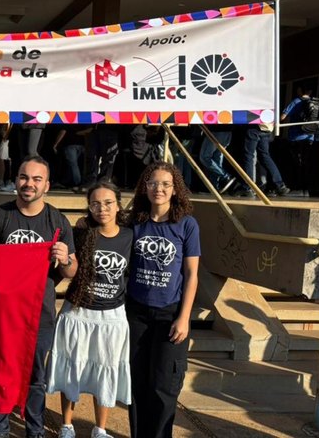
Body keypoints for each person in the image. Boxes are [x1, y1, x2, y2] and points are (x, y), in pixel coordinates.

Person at [0, 155, 76, 438]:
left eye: (36, 179)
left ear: (46, 185)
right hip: (2, 313)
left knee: (36, 378)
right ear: (16, 180)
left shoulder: (56, 220)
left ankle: (35, 430)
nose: (28, 184)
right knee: (0, 373)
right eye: (23, 177)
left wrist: (65, 258)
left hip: (39, 314)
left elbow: (71, 271)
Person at [47, 182, 132, 438]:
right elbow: (69, 271)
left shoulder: (130, 236)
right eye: (95, 203)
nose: (101, 208)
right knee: (72, 367)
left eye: (108, 203)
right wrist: (65, 260)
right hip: (78, 312)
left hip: (112, 315)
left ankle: (100, 429)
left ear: (118, 205)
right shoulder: (80, 234)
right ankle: (67, 425)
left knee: (105, 369)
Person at [126, 161, 200, 438]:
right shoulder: (134, 221)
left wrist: (184, 318)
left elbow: (192, 274)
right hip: (135, 313)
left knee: (164, 385)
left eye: (165, 184)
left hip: (169, 314)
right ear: (145, 187)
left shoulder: (186, 224)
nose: (159, 189)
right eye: (153, 183)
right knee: (137, 383)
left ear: (174, 189)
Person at [280, 88, 317, 195]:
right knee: (306, 163)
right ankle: (306, 190)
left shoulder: (296, 101)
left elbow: (283, 117)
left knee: (296, 164)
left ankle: (298, 188)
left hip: (296, 137)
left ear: (300, 90)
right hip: (310, 137)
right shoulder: (315, 103)